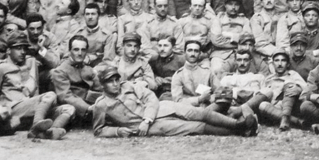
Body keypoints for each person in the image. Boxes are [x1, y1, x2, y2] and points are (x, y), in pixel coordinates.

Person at [93, 65, 256, 138]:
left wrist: (147, 118)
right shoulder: (101, 104)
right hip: (149, 127)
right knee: (195, 127)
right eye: (109, 81)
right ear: (102, 84)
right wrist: (118, 132)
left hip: (160, 109)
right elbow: (99, 130)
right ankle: (240, 130)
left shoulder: (128, 85)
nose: (115, 84)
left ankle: (237, 124)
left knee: (199, 113)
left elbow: (150, 97)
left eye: (116, 79)